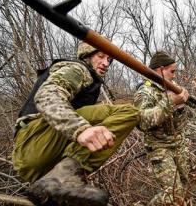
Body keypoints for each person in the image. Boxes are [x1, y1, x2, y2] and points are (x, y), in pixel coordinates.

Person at [12, 41, 140, 206]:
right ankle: (64, 174)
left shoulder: (90, 80)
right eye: (101, 56)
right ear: (86, 55)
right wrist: (80, 129)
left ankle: (56, 182)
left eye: (109, 59)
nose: (105, 63)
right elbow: (47, 95)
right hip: (34, 143)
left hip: (41, 160)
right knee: (128, 112)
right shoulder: (78, 69)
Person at [134, 51, 196, 205]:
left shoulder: (171, 88)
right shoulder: (145, 92)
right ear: (160, 70)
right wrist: (170, 103)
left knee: (186, 190)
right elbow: (142, 121)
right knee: (174, 195)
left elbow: (190, 103)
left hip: (178, 145)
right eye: (172, 71)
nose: (174, 76)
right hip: (160, 148)